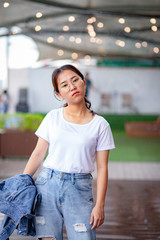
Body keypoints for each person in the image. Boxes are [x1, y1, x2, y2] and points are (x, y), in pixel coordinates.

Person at [23, 64, 115, 240]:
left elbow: (102, 168)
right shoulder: (53, 117)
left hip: (79, 189)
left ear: (84, 82)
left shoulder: (100, 124)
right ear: (59, 94)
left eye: (75, 80)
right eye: (64, 85)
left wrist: (100, 205)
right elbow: (37, 154)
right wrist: (22, 184)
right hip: (46, 186)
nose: (72, 86)